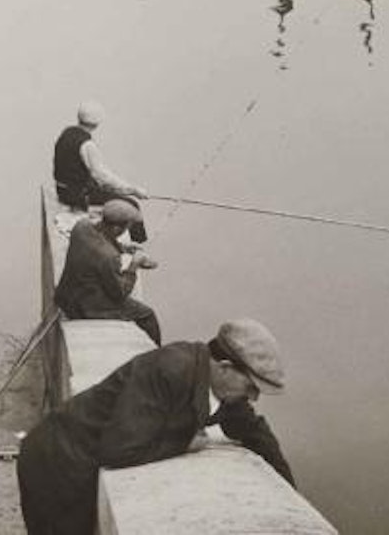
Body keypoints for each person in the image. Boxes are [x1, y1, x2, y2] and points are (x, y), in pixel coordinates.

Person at [17, 318, 294, 535]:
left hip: (80, 462)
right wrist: (183, 444)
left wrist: (292, 496)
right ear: (225, 367)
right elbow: (117, 450)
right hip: (56, 461)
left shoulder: (224, 392)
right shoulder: (169, 370)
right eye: (251, 386)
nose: (253, 397)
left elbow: (257, 433)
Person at [54, 198, 161, 345]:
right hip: (84, 307)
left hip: (65, 296)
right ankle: (156, 353)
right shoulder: (108, 258)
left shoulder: (81, 226)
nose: (125, 231)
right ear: (116, 229)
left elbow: (98, 239)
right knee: (147, 315)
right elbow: (120, 293)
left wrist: (123, 247)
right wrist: (133, 265)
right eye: (125, 228)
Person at [53, 100, 148, 241]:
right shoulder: (87, 144)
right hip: (77, 196)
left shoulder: (67, 133)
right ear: (97, 122)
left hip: (63, 191)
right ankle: (139, 245)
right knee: (132, 205)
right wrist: (133, 190)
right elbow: (101, 175)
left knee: (110, 192)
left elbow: (74, 169)